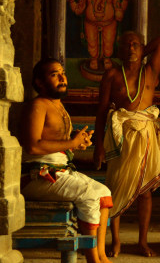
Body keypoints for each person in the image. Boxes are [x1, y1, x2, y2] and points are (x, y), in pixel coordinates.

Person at [21, 58, 112, 263]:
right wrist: (70, 141)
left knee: (104, 193)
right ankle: (92, 259)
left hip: (59, 170)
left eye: (63, 73)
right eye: (54, 74)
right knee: (90, 195)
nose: (63, 78)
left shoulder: (59, 106)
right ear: (40, 82)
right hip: (37, 176)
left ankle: (101, 255)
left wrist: (76, 144)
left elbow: (58, 144)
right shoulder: (38, 105)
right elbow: (33, 146)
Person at [94, 31, 160, 257]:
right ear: (118, 50)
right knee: (116, 188)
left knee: (145, 192)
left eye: (135, 44)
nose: (131, 48)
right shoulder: (111, 75)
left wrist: (140, 52)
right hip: (121, 136)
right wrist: (98, 146)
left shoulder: (150, 71)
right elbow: (101, 112)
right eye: (126, 45)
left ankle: (142, 242)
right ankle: (115, 241)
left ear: (143, 47)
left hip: (146, 136)